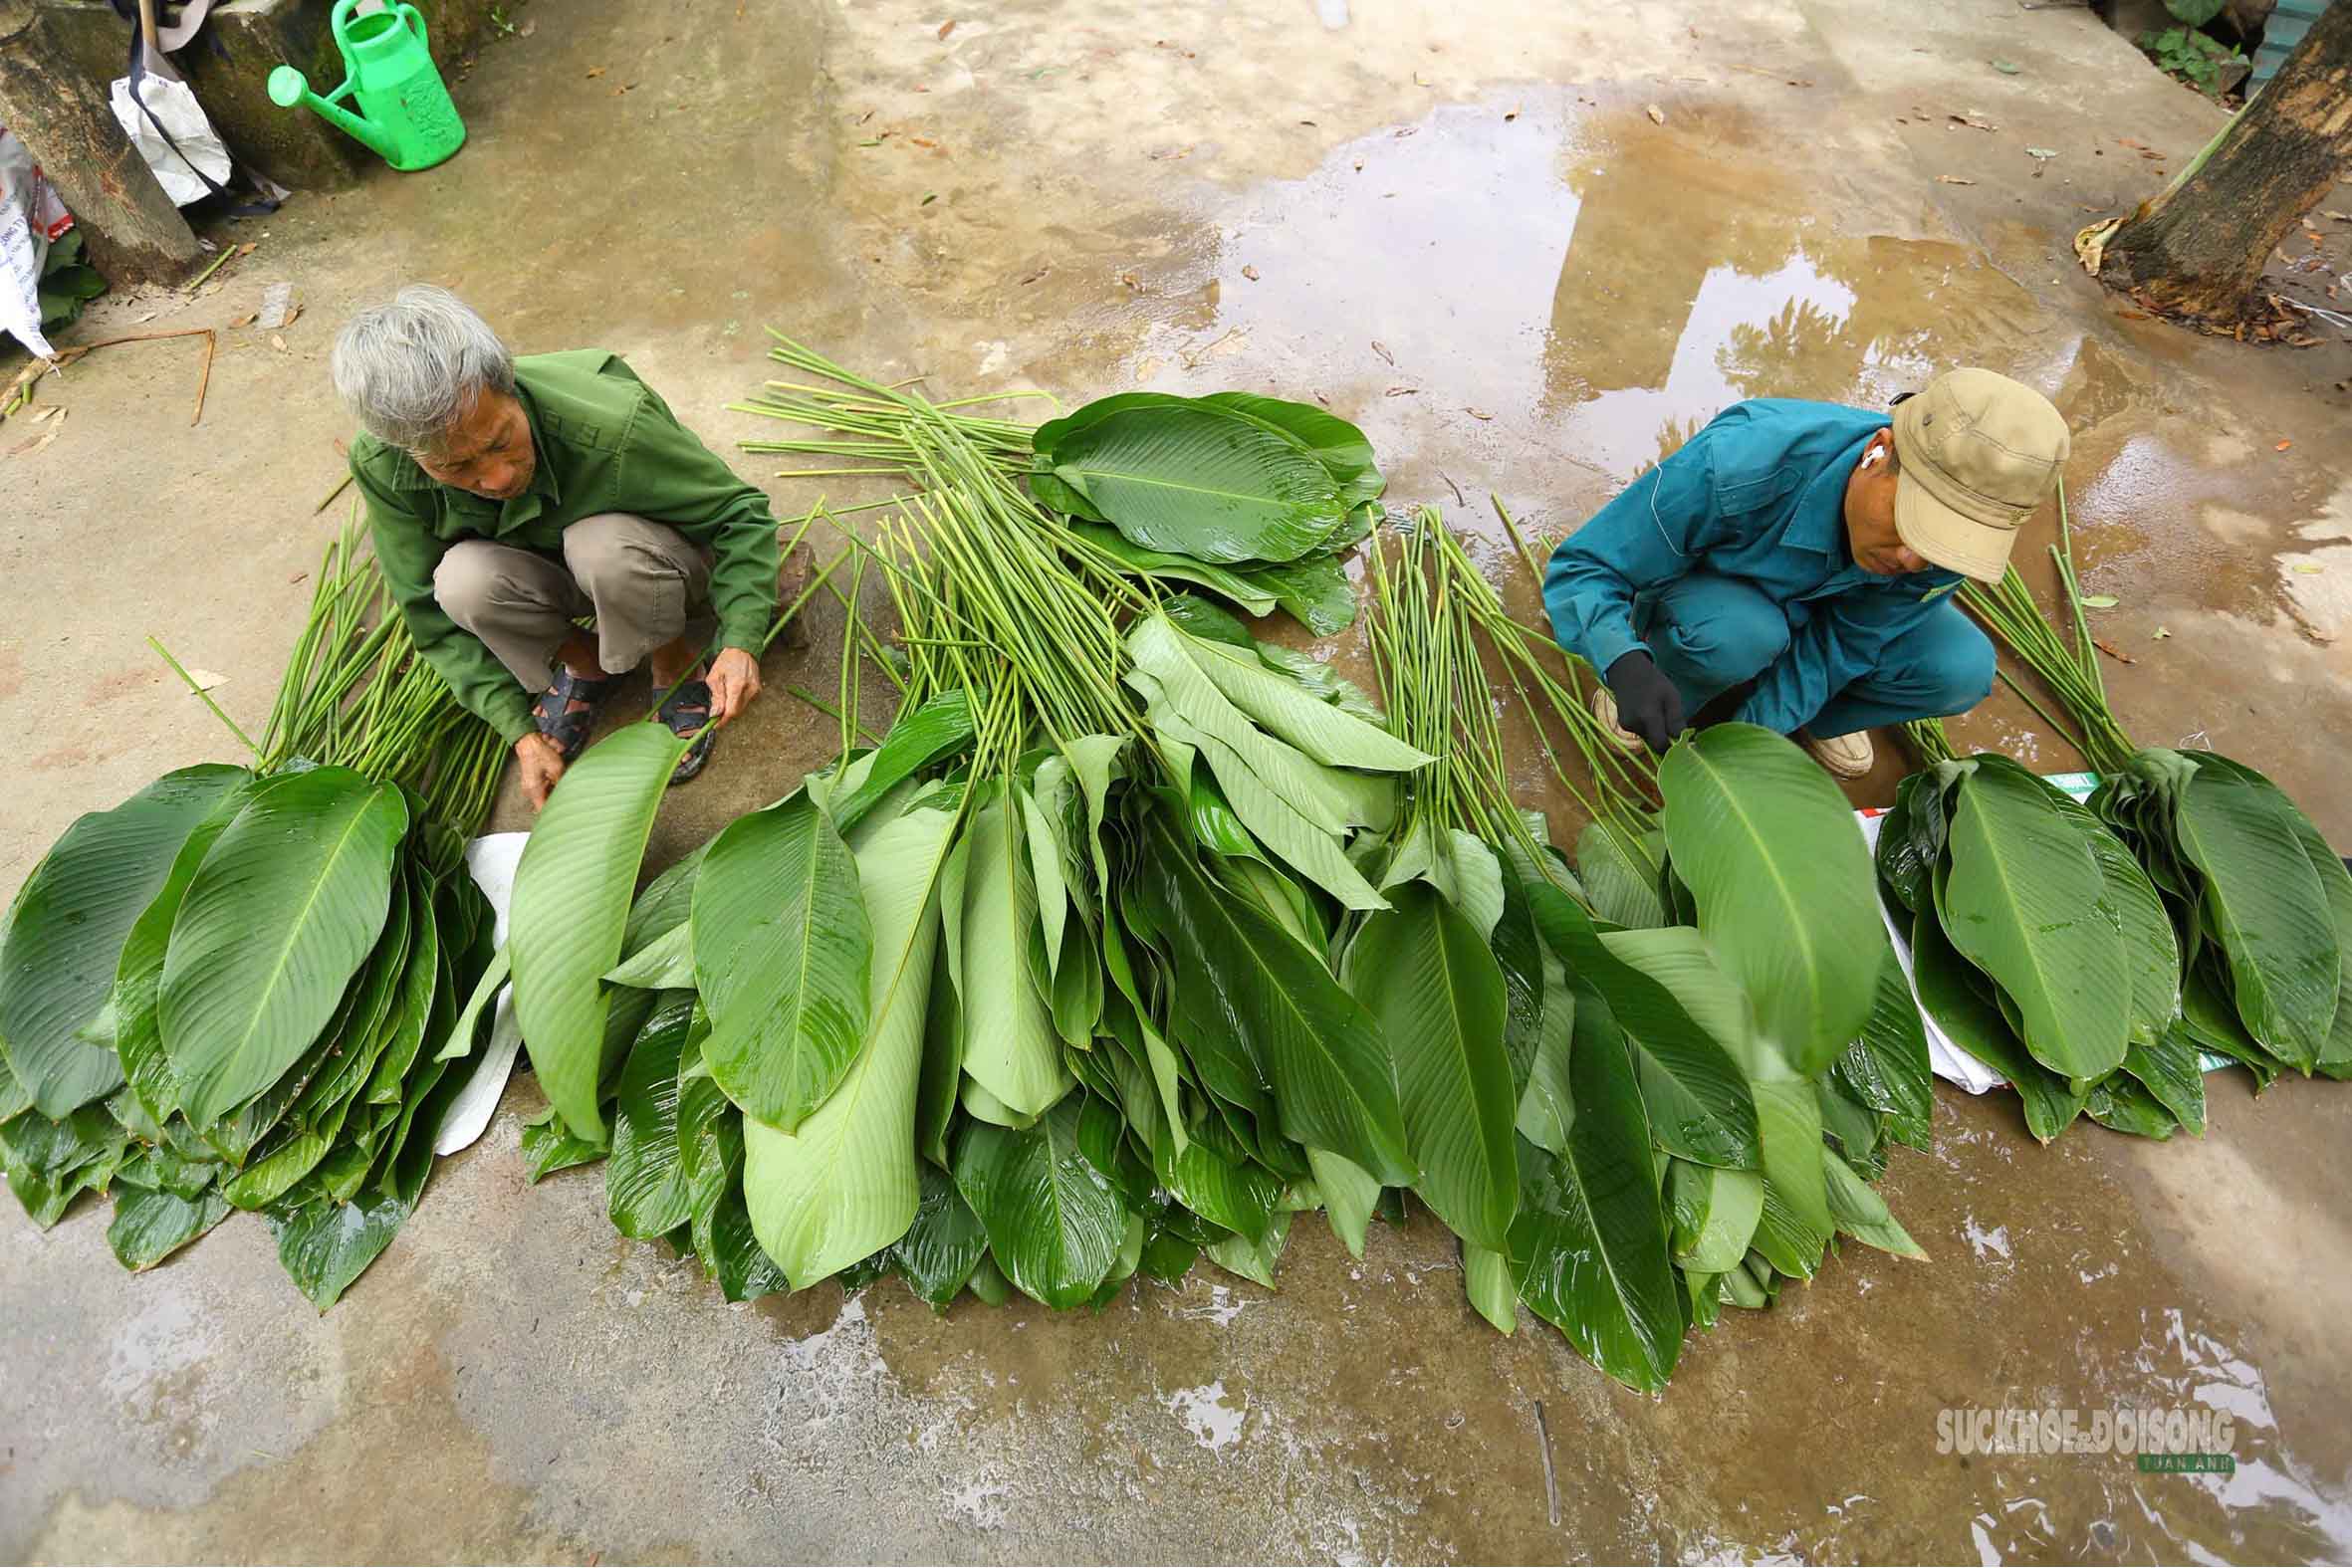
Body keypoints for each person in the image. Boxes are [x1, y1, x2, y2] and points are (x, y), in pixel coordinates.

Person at [332, 285, 781, 809]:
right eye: (455, 467)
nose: (496, 478)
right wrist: (517, 729)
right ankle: (584, 663)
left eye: (501, 442)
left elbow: (739, 514)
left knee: (603, 549)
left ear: (510, 388)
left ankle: (673, 659)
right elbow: (422, 607)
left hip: (645, 559)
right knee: (460, 582)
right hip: (550, 571)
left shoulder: (613, 427)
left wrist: (741, 638)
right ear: (406, 451)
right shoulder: (383, 464)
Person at [1542, 367, 2069, 779]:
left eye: (1941, 546)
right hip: (1721, 604)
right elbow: (1585, 566)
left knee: (1961, 667)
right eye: (1913, 526)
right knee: (1739, 636)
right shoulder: (1740, 461)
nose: (1913, 561)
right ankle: (1673, 681)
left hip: (1821, 620)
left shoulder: (1943, 552)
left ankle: (1812, 719)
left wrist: (1745, 751)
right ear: (1876, 453)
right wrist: (1625, 662)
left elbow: (1847, 642)